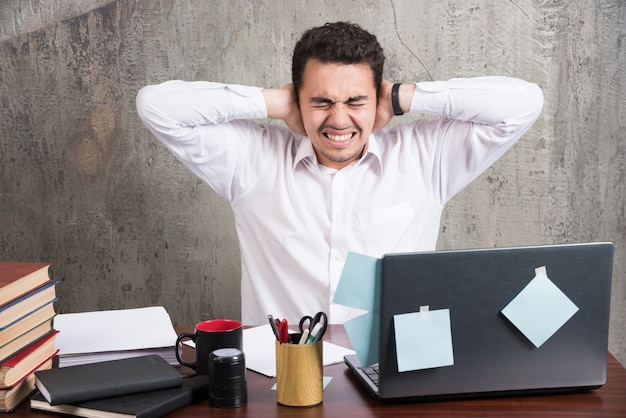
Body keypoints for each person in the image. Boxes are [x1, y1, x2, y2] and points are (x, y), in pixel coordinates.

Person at [136, 22, 543, 325]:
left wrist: (404, 96)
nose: (338, 119)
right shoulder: (252, 160)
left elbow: (524, 103)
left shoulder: (424, 157)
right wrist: (273, 102)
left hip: (393, 373)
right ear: (298, 99)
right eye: (321, 101)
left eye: (355, 100)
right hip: (280, 377)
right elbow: (156, 106)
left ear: (376, 98)